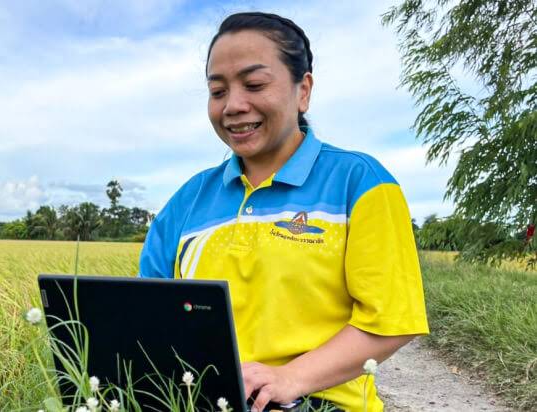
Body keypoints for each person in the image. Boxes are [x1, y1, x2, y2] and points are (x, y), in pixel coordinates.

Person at [138, 11, 429, 412]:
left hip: (321, 401)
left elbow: (391, 323)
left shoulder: (359, 182)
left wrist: (289, 378)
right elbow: (149, 317)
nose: (234, 106)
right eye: (218, 91)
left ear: (303, 90)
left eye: (254, 84)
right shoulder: (186, 202)